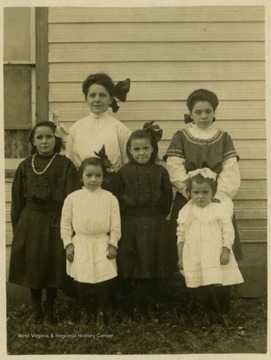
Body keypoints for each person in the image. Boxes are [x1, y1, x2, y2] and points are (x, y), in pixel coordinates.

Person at [164, 88, 242, 275]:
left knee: (216, 239)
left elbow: (230, 168)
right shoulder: (181, 136)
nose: (204, 116)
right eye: (198, 112)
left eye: (208, 111)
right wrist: (191, 190)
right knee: (189, 240)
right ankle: (190, 289)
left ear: (214, 112)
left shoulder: (223, 137)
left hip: (215, 197)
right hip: (190, 196)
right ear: (190, 114)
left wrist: (217, 195)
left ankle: (217, 285)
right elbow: (174, 166)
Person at [9, 121, 79, 324]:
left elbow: (72, 199)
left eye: (48, 136)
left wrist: (70, 228)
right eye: (39, 137)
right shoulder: (25, 165)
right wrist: (18, 228)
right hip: (30, 221)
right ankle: (36, 310)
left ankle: (49, 310)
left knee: (52, 265)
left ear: (55, 139)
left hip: (55, 220)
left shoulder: (65, 165)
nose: (44, 141)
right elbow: (17, 199)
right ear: (33, 141)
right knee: (33, 265)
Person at [113, 122, 173, 321]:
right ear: (129, 150)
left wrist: (155, 215)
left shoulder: (160, 172)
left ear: (153, 149)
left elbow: (167, 200)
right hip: (130, 223)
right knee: (132, 263)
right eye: (136, 149)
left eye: (145, 148)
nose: (141, 153)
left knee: (153, 263)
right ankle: (133, 306)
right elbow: (118, 198)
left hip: (155, 223)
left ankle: (150, 305)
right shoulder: (123, 173)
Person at [177, 168, 244, 324]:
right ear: (190, 193)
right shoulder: (187, 210)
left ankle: (222, 311)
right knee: (200, 282)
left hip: (215, 253)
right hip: (195, 253)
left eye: (205, 192)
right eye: (196, 192)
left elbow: (228, 231)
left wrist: (226, 250)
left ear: (213, 193)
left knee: (219, 281)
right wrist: (180, 256)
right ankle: (204, 312)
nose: (200, 197)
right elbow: (180, 234)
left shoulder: (219, 209)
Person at [60, 157, 121, 327]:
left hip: (102, 242)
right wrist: (68, 243)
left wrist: (113, 243)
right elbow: (65, 223)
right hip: (81, 243)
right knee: (82, 280)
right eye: (89, 175)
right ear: (81, 177)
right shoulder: (73, 198)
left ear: (103, 177)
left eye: (98, 175)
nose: (93, 179)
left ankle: (101, 311)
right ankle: (84, 310)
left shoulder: (110, 198)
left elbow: (116, 224)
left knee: (103, 279)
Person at [65, 72, 131, 191]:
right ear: (86, 99)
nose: (97, 100)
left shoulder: (120, 129)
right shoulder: (76, 128)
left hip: (111, 187)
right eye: (92, 95)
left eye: (102, 95)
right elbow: (69, 160)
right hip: (81, 187)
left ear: (110, 99)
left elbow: (127, 163)